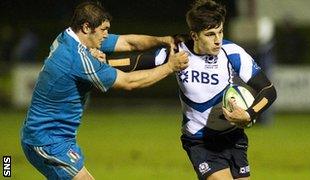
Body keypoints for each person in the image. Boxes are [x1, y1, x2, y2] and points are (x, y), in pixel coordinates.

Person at [20, 1, 188, 180]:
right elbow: (129, 82)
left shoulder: (66, 37)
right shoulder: (77, 58)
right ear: (86, 27)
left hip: (52, 136)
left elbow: (128, 43)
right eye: (104, 29)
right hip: (47, 140)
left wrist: (165, 40)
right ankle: (5, 170)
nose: (106, 35)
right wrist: (171, 67)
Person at [109, 0, 277, 179]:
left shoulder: (232, 53)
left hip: (233, 137)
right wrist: (102, 63)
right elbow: (135, 62)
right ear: (195, 35)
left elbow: (268, 89)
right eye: (210, 34)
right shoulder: (178, 52)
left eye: (220, 32)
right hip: (199, 140)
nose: (217, 40)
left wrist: (249, 114)